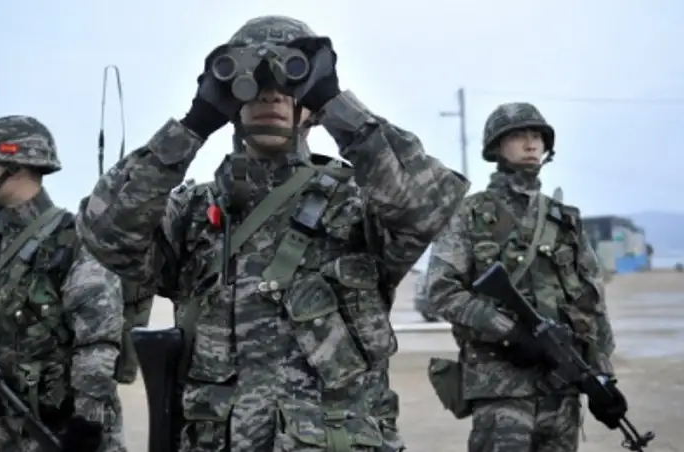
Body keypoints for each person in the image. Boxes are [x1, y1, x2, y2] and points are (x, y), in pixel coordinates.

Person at [78, 15, 469, 452]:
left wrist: (337, 105)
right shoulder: (192, 214)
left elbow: (430, 207)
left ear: (312, 103)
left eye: (290, 81)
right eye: (255, 84)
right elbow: (105, 231)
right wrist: (193, 125)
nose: (271, 94)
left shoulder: (360, 208)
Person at [425, 102, 626, 451]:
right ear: (496, 146)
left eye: (537, 136)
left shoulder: (565, 220)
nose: (531, 144)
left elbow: (592, 302)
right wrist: (512, 333)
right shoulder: (469, 213)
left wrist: (601, 377)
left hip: (561, 390)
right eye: (519, 136)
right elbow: (442, 292)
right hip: (501, 388)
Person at [0, 115, 128, 452]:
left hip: (71, 434)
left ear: (15, 166)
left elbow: (97, 343)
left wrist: (88, 422)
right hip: (14, 429)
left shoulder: (73, 239)